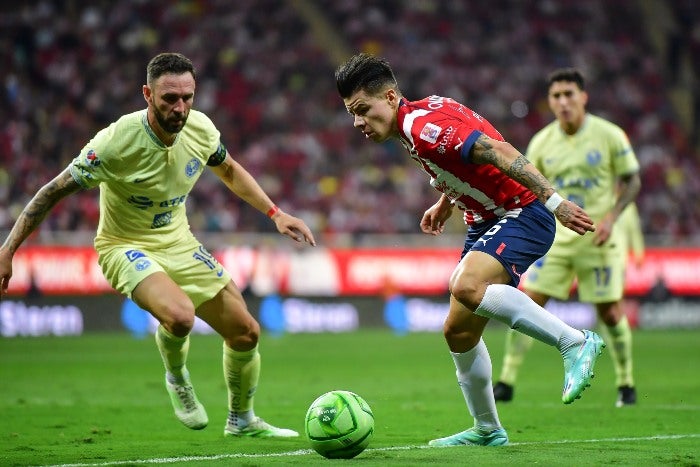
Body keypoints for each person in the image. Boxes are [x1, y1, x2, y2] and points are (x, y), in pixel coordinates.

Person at [0, 52, 316, 438]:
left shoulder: (200, 129)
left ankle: (242, 420)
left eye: (187, 97)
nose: (180, 107)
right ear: (147, 94)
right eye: (169, 98)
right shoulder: (115, 142)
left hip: (179, 242)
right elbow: (52, 192)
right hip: (123, 244)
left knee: (246, 331)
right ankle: (177, 376)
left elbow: (229, 170)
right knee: (180, 316)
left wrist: (275, 213)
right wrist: (8, 250)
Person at [335, 53, 603, 448]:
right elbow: (460, 161)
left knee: (466, 286)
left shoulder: (424, 128)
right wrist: (446, 202)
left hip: (523, 211)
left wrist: (555, 202)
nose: (357, 122)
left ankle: (574, 342)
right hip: (484, 218)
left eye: (362, 110)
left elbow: (500, 151)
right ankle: (488, 429)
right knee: (458, 331)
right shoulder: (421, 116)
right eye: (351, 114)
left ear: (390, 97)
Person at [492, 68, 642, 408]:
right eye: (556, 96)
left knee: (610, 312)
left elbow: (632, 180)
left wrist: (612, 218)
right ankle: (507, 380)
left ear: (583, 97)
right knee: (527, 304)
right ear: (550, 101)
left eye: (569, 94)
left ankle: (626, 382)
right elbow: (526, 183)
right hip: (555, 241)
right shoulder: (543, 141)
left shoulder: (609, 135)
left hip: (598, 239)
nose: (563, 101)